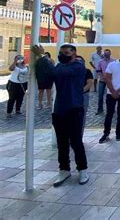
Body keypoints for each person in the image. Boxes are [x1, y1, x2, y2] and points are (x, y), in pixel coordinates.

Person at [31, 44, 89, 187]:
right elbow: (50, 74)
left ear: (74, 54)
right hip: (59, 110)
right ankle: (64, 169)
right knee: (61, 142)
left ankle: (82, 169)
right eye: (61, 52)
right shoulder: (59, 66)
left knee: (76, 141)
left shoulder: (78, 66)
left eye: (66, 52)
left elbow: (56, 73)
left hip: (74, 109)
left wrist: (42, 56)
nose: (63, 55)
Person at [98, 48, 120, 144]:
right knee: (109, 114)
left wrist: (118, 91)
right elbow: (107, 78)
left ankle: (118, 132)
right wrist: (113, 91)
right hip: (111, 93)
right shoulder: (112, 64)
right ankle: (106, 133)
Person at [75, 56, 93, 136]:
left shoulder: (87, 71)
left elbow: (89, 83)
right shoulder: (70, 71)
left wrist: (80, 92)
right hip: (70, 96)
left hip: (83, 95)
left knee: (81, 116)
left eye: (80, 61)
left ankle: (79, 136)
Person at [96, 49, 114, 115]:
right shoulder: (100, 61)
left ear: (110, 53)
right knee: (100, 95)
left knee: (111, 96)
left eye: (108, 53)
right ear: (104, 54)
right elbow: (98, 70)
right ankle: (100, 109)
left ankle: (111, 109)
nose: (106, 54)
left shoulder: (113, 61)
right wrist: (102, 76)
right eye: (105, 53)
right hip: (102, 80)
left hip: (111, 80)